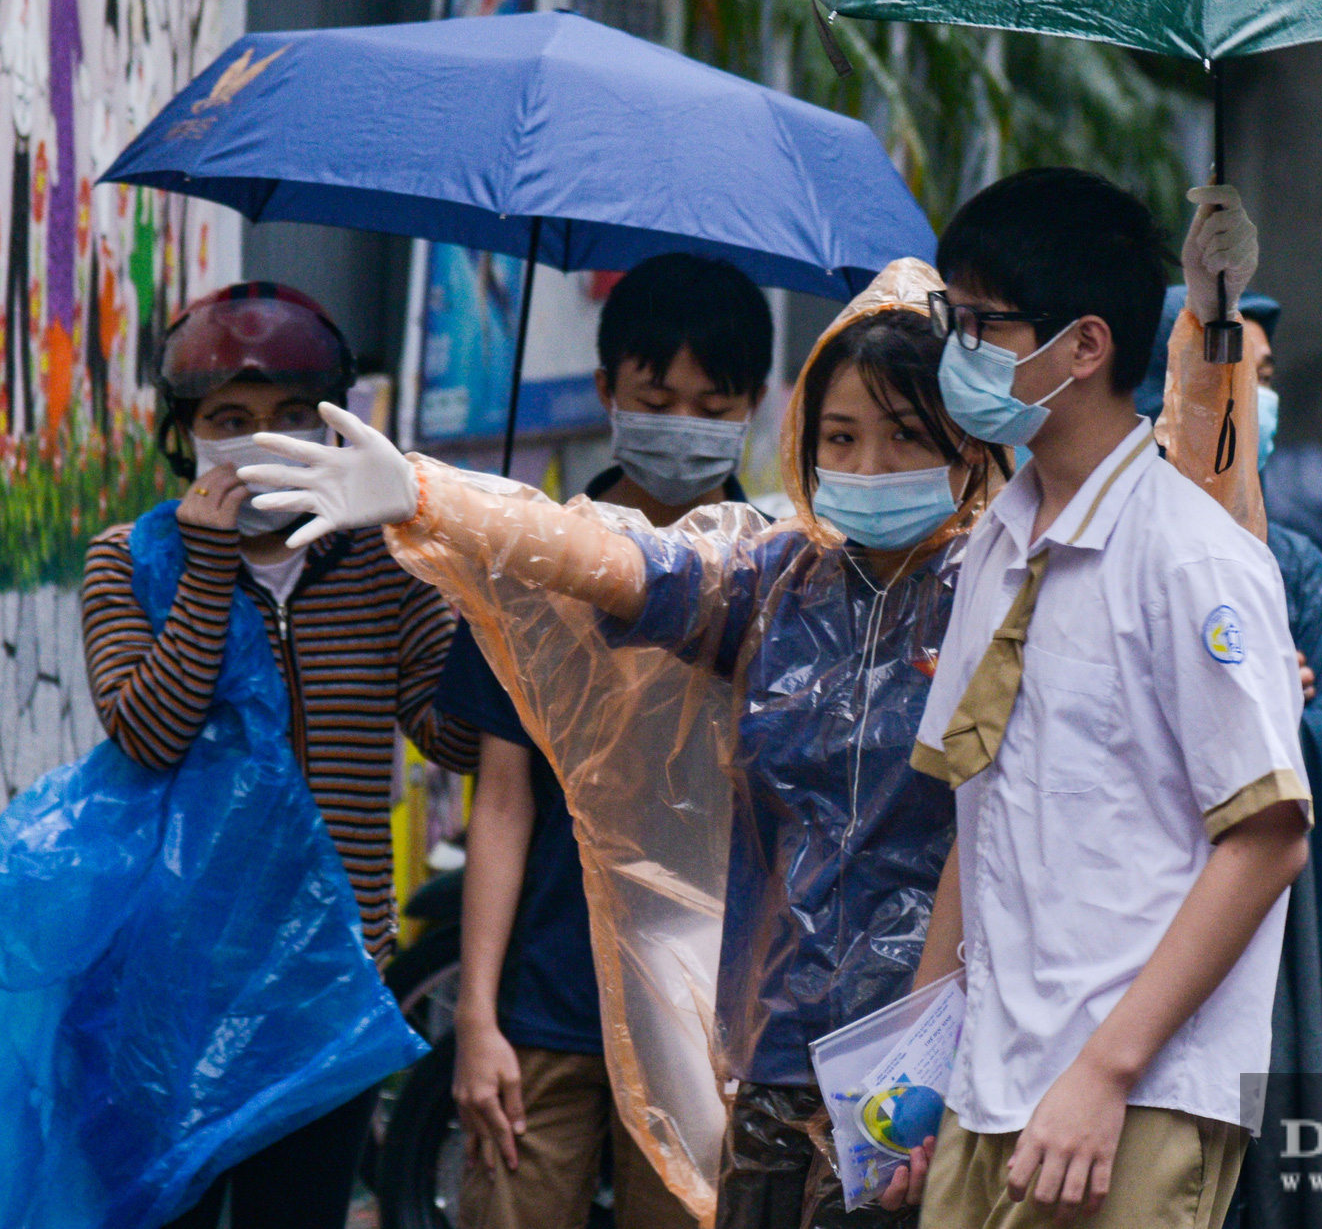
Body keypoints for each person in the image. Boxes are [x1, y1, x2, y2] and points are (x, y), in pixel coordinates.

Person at [237, 259, 1011, 1229]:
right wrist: (429, 496)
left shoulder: (1007, 595)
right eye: (840, 438)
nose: (867, 468)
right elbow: (612, 558)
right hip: (771, 1059)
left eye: (904, 437)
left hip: (933, 1060)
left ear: (969, 448)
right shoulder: (776, 580)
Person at [882, 170, 1311, 1229]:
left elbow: (1266, 839)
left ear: (1083, 346)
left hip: (1135, 1093)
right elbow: (969, 837)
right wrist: (914, 1072)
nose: (955, 346)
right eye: (951, 315)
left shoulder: (1190, 559)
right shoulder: (994, 541)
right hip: (990, 1077)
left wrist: (1105, 1073)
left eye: (981, 322)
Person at [77, 282, 480, 1229]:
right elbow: (148, 732)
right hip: (175, 993)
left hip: (330, 990)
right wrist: (210, 564)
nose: (263, 437)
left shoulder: (385, 564)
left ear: (331, 428)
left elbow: (453, 737)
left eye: (292, 415)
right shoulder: (126, 563)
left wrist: (474, 587)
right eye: (231, 418)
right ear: (185, 433)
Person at [444, 254, 772, 1229]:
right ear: (607, 391)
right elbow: (500, 802)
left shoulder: (780, 577)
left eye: (712, 403)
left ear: (753, 404)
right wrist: (475, 1017)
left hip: (705, 1020)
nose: (683, 423)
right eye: (656, 395)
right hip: (542, 1004)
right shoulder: (533, 563)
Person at [1137, 286, 1322, 1229]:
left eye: (1262, 378)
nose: (1252, 398)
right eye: (1229, 373)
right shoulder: (1112, 548)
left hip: (1276, 950)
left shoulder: (1298, 567)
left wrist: (1282, 719)